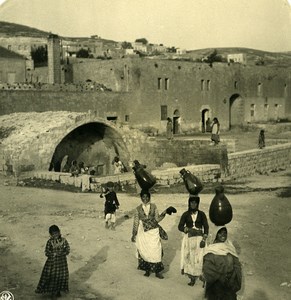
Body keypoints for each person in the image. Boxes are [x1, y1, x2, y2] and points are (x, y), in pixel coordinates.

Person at [131, 190, 169, 279]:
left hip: (153, 232)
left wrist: (164, 213)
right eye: (143, 197)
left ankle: (157, 271)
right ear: (141, 198)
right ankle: (147, 270)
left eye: (147, 197)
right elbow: (136, 222)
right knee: (145, 250)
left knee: (156, 249)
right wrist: (134, 234)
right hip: (143, 233)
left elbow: (157, 219)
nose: (145, 199)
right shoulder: (137, 209)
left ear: (149, 197)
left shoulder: (154, 206)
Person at [201, 226, 242, 300]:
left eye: (225, 233)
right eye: (220, 233)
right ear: (216, 234)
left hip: (230, 287)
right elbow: (208, 271)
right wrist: (222, 279)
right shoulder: (211, 250)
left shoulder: (230, 248)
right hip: (216, 289)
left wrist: (233, 280)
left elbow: (237, 267)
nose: (223, 235)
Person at [178, 195, 209, 286]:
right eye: (192, 202)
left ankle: (202, 276)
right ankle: (192, 278)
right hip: (189, 239)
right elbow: (180, 226)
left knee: (200, 257)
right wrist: (185, 229)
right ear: (189, 203)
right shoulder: (185, 214)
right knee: (190, 257)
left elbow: (206, 227)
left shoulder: (202, 214)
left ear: (198, 204)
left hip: (199, 239)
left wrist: (204, 239)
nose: (193, 204)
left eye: (195, 203)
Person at [35, 225, 70, 298]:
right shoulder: (49, 242)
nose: (55, 235)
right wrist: (52, 254)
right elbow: (47, 252)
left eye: (56, 233)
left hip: (62, 264)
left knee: (61, 276)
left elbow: (67, 250)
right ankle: (53, 293)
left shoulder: (64, 241)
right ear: (50, 235)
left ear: (59, 232)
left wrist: (62, 253)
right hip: (52, 264)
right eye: (53, 234)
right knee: (52, 277)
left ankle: (58, 291)